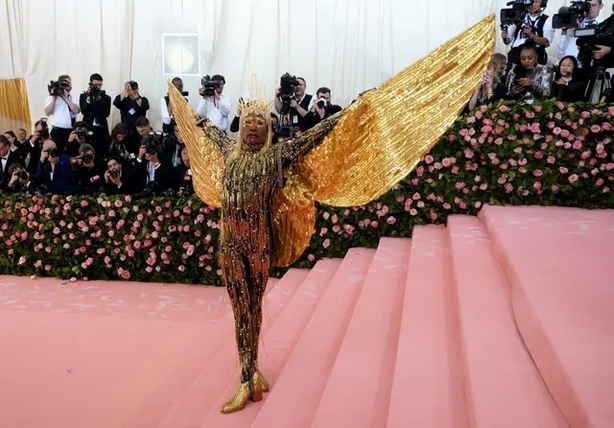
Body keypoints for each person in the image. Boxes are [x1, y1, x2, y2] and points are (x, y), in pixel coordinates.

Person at [168, 14, 494, 415]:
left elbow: (313, 135)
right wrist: (182, 104)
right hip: (229, 244)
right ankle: (247, 374)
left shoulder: (277, 156)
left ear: (267, 130)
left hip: (259, 243)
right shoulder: (228, 153)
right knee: (240, 307)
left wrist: (351, 111)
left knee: (253, 307)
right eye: (247, 123)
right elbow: (204, 128)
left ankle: (249, 372)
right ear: (240, 129)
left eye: (259, 124)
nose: (252, 128)